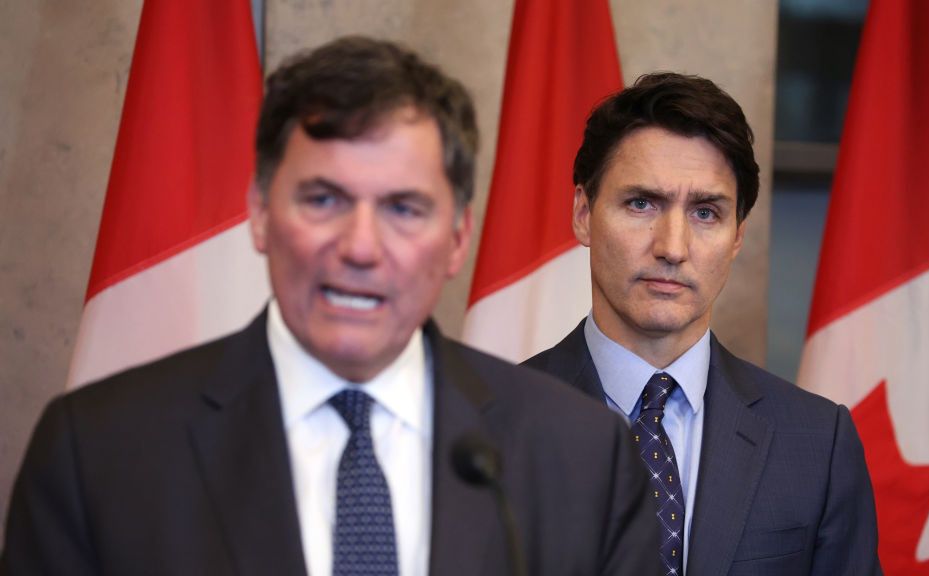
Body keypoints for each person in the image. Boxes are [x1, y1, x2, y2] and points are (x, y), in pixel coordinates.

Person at [1, 36, 658, 576]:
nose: (360, 247)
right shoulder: (97, 452)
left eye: (404, 208)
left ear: (457, 238)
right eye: (323, 199)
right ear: (259, 213)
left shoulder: (581, 457)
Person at [524, 73, 881, 576]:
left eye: (706, 213)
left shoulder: (820, 444)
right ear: (583, 213)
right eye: (641, 203)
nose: (672, 246)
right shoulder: (484, 424)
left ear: (737, 236)